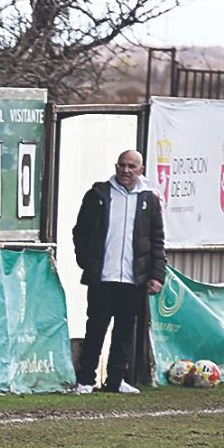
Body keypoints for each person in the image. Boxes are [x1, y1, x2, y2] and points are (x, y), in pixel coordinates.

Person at [71, 150, 165, 394]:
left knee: (125, 331)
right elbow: (80, 231)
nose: (126, 170)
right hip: (103, 276)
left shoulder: (149, 200)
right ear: (116, 166)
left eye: (132, 166)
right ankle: (86, 379)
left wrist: (155, 275)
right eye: (122, 165)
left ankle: (116, 379)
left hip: (133, 278)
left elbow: (156, 240)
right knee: (96, 328)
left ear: (140, 170)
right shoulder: (99, 195)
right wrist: (87, 262)